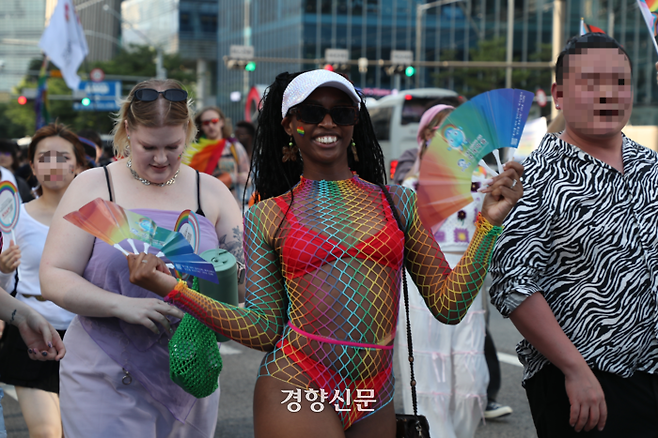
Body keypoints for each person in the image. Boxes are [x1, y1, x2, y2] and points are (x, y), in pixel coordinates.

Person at [126, 69, 523, 438]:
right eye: (312, 112)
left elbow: (448, 305)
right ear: (288, 125)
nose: (328, 123)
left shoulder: (398, 202)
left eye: (342, 112)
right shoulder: (268, 214)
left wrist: (488, 226)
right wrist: (172, 288)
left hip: (374, 393)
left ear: (355, 121)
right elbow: (264, 330)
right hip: (298, 381)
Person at [39, 79, 244, 437]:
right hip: (104, 369)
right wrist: (121, 305)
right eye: (149, 146)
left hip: (191, 371)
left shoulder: (210, 191)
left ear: (188, 132)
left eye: (173, 146)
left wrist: (214, 279)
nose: (162, 158)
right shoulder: (93, 185)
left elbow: (242, 287)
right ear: (128, 130)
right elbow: (54, 275)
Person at [489, 33, 658, 437]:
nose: (608, 93)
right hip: (586, 383)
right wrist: (574, 370)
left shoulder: (649, 165)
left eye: (619, 81)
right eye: (591, 81)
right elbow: (512, 283)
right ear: (559, 94)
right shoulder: (533, 176)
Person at [396, 104, 491, 438]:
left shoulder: (484, 179)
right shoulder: (411, 183)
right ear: (425, 135)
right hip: (423, 280)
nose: (453, 133)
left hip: (469, 281)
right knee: (427, 374)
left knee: (471, 381)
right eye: (442, 127)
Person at [0, 123, 86, 438]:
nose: (53, 164)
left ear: (78, 166)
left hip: (86, 339)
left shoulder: (96, 219)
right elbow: (4, 288)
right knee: (47, 434)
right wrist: (4, 268)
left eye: (62, 157)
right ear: (32, 165)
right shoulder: (15, 217)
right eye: (44, 157)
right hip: (31, 338)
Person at [0, 248, 67, 438]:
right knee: (46, 433)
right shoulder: (12, 218)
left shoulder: (91, 223)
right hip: (30, 342)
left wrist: (24, 317)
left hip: (81, 336)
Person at [184, 106, 251, 210]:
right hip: (202, 205)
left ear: (222, 122)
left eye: (214, 121)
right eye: (206, 123)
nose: (211, 126)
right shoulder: (192, 150)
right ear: (201, 126)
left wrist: (239, 177)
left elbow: (248, 176)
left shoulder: (233, 147)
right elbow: (187, 180)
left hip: (231, 205)